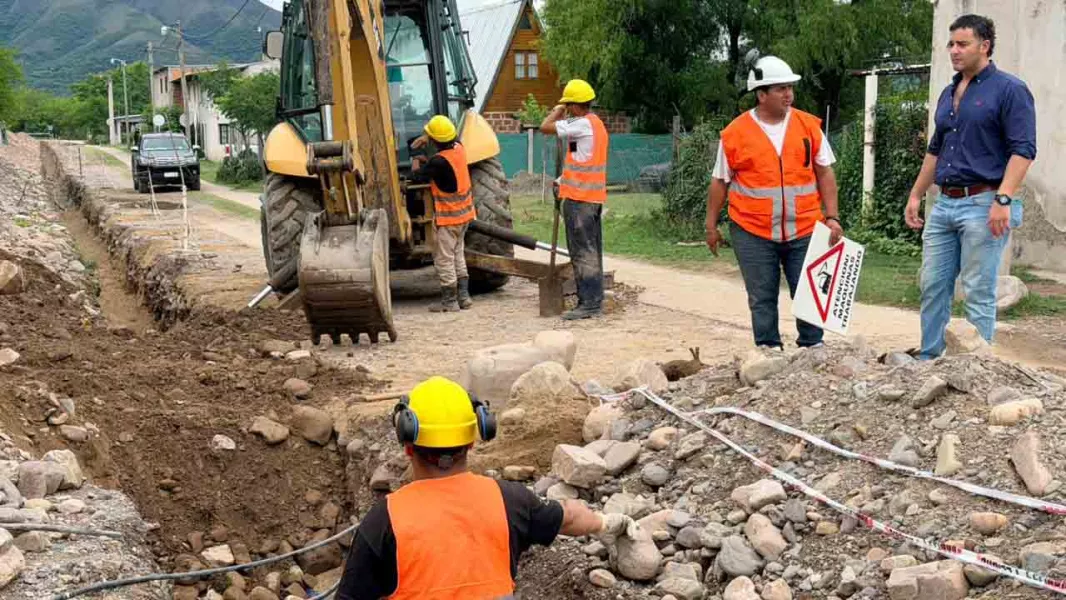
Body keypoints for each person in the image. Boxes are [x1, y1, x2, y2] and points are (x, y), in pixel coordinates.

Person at [335, 376, 641, 599]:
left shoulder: (384, 519)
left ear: (407, 445)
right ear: (473, 440)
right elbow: (570, 517)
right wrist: (609, 522)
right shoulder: (509, 500)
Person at [904, 14, 1035, 360]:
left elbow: (1023, 150)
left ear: (985, 46)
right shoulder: (949, 92)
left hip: (984, 202)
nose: (954, 50)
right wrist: (917, 193)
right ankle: (930, 358)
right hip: (944, 204)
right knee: (932, 285)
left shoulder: (1010, 90)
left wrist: (1003, 199)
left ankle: (976, 366)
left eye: (962, 44)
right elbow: (936, 148)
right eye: (951, 44)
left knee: (977, 290)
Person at [705, 55, 843, 350]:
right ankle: (768, 351)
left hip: (805, 227)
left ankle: (812, 348)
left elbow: (825, 172)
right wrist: (711, 225)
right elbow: (720, 181)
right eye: (780, 88)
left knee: (808, 292)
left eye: (790, 87)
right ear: (761, 94)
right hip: (751, 230)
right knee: (761, 296)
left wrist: (833, 217)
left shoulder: (808, 126)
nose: (788, 94)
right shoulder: (735, 133)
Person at [539, 79, 610, 320]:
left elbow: (545, 126)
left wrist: (558, 108)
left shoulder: (581, 123)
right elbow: (579, 161)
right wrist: (561, 180)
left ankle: (589, 304)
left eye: (568, 105)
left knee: (583, 252)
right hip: (587, 197)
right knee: (590, 249)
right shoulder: (595, 125)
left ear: (574, 105)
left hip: (581, 200)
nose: (566, 109)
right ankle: (593, 299)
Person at [410, 116, 476, 312]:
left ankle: (449, 302)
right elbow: (445, 157)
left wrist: (415, 160)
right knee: (458, 255)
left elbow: (416, 177)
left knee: (443, 259)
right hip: (465, 217)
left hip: (448, 219)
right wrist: (427, 147)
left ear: (434, 139)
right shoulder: (459, 149)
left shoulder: (438, 162)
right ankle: (464, 298)